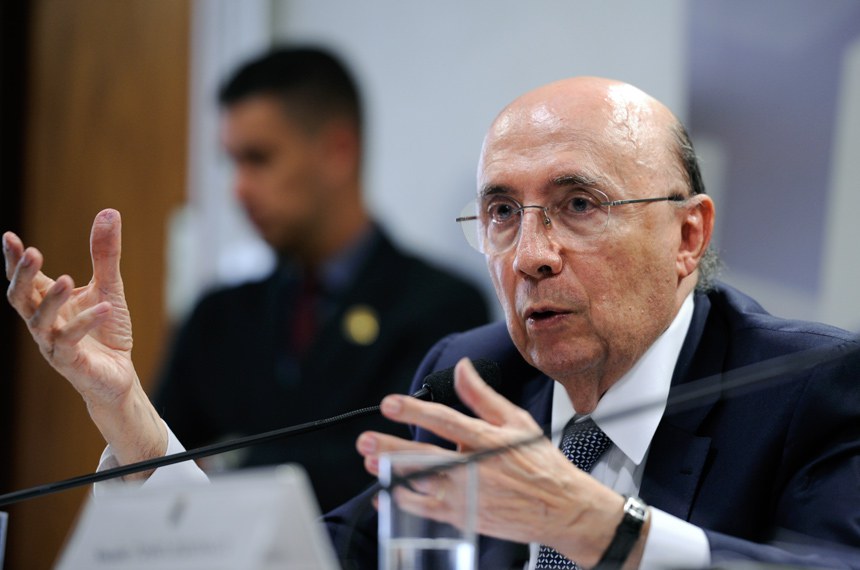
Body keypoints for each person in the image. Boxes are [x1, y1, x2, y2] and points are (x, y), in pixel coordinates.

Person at [3, 76, 858, 569]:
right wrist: (125, 411)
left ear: (688, 236)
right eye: (501, 214)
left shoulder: (810, 387)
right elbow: (307, 561)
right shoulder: (472, 377)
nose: (531, 255)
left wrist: (600, 527)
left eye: (579, 204)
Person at [150, 46, 491, 511]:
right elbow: (154, 469)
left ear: (338, 151)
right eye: (232, 163)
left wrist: (227, 465)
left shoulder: (440, 307)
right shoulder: (218, 317)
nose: (238, 189)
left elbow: (400, 469)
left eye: (259, 159)